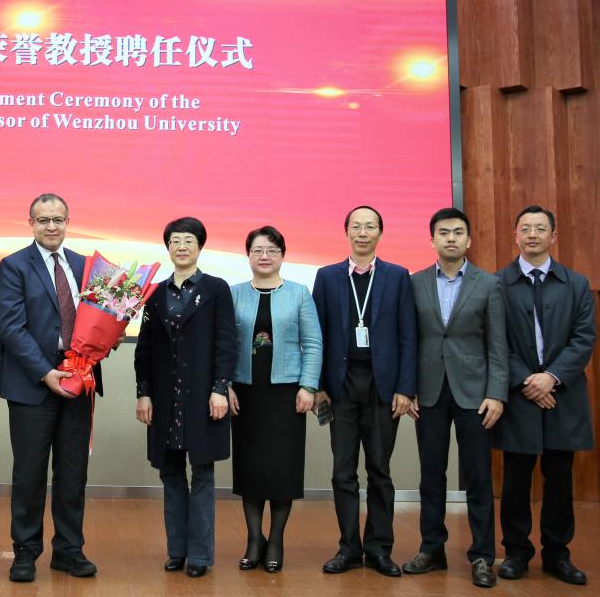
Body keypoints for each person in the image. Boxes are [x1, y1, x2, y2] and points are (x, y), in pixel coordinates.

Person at [401, 207, 506, 588]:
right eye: (443, 232)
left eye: (457, 232)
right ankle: (432, 549)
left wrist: (496, 393)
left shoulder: (489, 284)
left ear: (468, 240)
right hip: (428, 392)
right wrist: (407, 387)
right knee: (431, 475)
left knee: (478, 477)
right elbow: (408, 340)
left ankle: (482, 556)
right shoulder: (414, 283)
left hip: (475, 394)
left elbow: (498, 344)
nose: (450, 238)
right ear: (432, 240)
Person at [0, 192, 96, 582]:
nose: (51, 226)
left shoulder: (85, 266)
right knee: (30, 474)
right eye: (43, 220)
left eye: (57, 219)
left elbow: (99, 317)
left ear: (67, 222)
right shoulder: (14, 266)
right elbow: (11, 328)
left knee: (73, 473)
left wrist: (106, 337)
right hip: (33, 385)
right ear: (31, 223)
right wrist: (45, 372)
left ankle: (69, 550)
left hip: (79, 382)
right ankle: (25, 551)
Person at [494, 205, 596, 586]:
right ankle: (516, 552)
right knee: (515, 479)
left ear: (553, 236)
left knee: (560, 478)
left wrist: (550, 378)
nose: (532, 235)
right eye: (526, 229)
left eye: (540, 229)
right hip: (519, 394)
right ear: (515, 235)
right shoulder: (497, 284)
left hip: (562, 395)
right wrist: (528, 381)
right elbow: (495, 341)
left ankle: (557, 554)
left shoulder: (576, 284)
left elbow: (584, 339)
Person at [312, 205, 416, 577]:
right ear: (346, 232)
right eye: (356, 226)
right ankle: (348, 549)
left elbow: (408, 335)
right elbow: (317, 334)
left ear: (380, 233)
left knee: (379, 471)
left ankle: (379, 549)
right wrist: (319, 386)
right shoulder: (327, 277)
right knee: (342, 471)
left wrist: (406, 388)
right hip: (341, 386)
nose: (362, 232)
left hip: (382, 385)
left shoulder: (398, 276)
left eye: (370, 226)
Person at [135, 217, 238, 578]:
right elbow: (144, 350)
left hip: (204, 398)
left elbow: (226, 343)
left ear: (200, 247)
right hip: (166, 400)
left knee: (203, 477)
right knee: (171, 475)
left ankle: (200, 556)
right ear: (168, 247)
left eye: (188, 241)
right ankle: (176, 550)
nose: (181, 247)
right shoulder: (155, 294)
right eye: (175, 241)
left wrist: (220, 388)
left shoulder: (216, 289)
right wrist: (144, 393)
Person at [228, 225, 321, 574]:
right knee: (250, 469)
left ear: (282, 255)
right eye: (257, 250)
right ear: (248, 255)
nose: (264, 256)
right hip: (246, 393)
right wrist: (225, 385)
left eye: (272, 250)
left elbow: (313, 343)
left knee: (283, 470)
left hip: (287, 394)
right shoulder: (235, 294)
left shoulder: (299, 293)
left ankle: (277, 539)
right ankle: (254, 539)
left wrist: (308, 386)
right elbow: (224, 345)